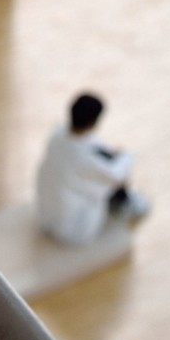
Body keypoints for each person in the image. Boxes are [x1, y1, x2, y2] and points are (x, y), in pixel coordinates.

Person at [36, 92, 151, 245]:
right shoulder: (86, 159)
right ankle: (124, 204)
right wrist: (126, 155)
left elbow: (89, 145)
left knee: (97, 174)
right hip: (71, 229)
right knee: (117, 177)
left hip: (45, 214)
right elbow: (116, 175)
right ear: (94, 122)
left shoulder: (57, 133)